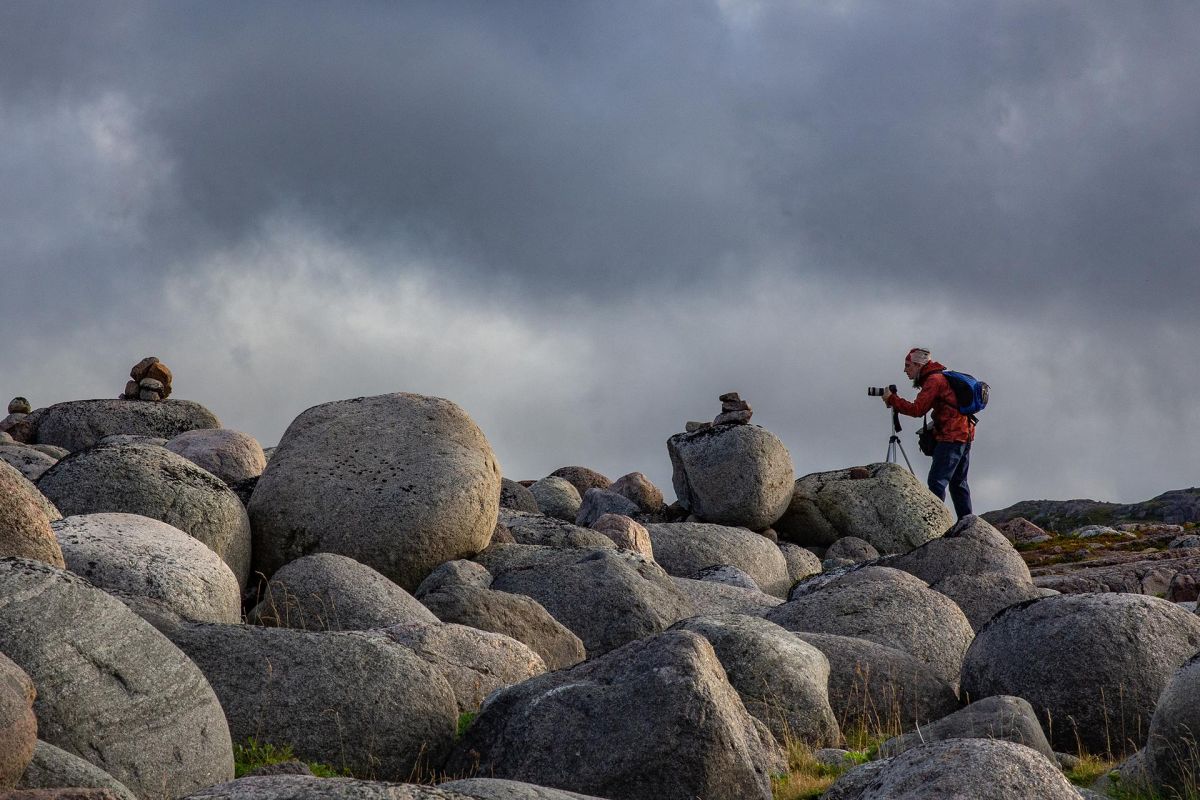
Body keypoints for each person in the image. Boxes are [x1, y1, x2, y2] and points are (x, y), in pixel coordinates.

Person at [882, 347, 974, 518]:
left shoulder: (934, 380)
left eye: (908, 365)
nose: (905, 370)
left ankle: (936, 523)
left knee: (936, 482)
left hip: (951, 436)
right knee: (958, 483)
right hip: (964, 434)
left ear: (918, 365)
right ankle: (967, 523)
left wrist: (892, 399)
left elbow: (917, 409)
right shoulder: (940, 376)